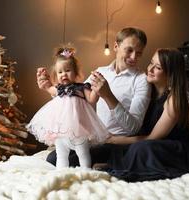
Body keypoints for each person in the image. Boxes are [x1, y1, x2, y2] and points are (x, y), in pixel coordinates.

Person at [41, 27, 151, 167]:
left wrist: (108, 96)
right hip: (92, 138)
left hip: (117, 143)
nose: (134, 57)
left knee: (70, 162)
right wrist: (49, 86)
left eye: (139, 53)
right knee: (52, 158)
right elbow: (73, 94)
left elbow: (133, 129)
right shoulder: (100, 72)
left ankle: (106, 164)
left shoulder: (141, 80)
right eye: (129, 50)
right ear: (116, 46)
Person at [104, 48, 189, 181]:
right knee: (115, 149)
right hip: (150, 143)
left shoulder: (173, 100)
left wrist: (115, 139)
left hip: (172, 149)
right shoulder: (149, 93)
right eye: (151, 63)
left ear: (171, 74)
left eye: (158, 67)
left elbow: (152, 137)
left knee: (141, 148)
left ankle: (123, 169)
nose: (150, 69)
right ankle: (114, 165)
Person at [27, 46, 109, 169]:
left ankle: (86, 170)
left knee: (83, 153)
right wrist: (44, 78)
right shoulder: (58, 89)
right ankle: (61, 173)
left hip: (79, 130)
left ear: (75, 72)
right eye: (60, 72)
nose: (63, 74)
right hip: (60, 131)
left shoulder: (81, 88)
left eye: (67, 70)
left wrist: (97, 89)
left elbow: (92, 99)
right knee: (61, 154)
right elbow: (48, 88)